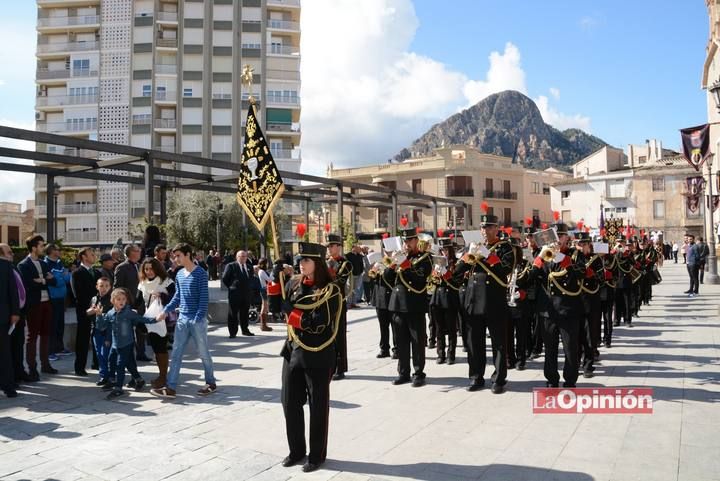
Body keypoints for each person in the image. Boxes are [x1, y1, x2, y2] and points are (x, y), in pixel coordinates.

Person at [280, 242, 342, 473]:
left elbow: (318, 324)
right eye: (300, 261)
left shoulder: (330, 290)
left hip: (317, 353)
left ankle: (316, 455)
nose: (301, 265)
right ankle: (296, 450)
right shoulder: (294, 284)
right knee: (289, 402)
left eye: (305, 261)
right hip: (293, 351)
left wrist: (292, 313)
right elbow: (281, 308)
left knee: (318, 406)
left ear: (317, 263)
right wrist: (276, 287)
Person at [453, 214, 515, 393]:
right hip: (473, 301)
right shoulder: (473, 248)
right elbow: (457, 273)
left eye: (488, 227)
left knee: (498, 343)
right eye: (482, 228)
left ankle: (499, 379)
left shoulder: (505, 247)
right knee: (474, 342)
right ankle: (476, 377)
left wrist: (486, 254)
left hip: (494, 300)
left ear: (497, 228)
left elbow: (505, 270)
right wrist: (468, 256)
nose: (484, 231)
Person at [150, 243, 216, 399]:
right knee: (177, 354)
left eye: (178, 255)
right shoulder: (179, 274)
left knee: (203, 353)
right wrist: (165, 311)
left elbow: (204, 299)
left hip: (197, 321)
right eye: (174, 256)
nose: (175, 258)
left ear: (188, 255)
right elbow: (177, 297)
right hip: (182, 319)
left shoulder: (200, 273)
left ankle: (211, 382)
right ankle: (171, 387)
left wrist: (197, 318)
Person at [529, 222, 583, 388]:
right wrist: (537, 261)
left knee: (570, 348)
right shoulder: (543, 254)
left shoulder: (575, 254)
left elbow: (581, 274)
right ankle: (551, 378)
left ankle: (570, 379)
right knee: (550, 348)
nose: (558, 239)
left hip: (568, 308)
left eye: (561, 235)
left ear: (567, 237)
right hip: (547, 309)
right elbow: (531, 278)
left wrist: (561, 258)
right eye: (554, 236)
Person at [384, 227, 433, 387]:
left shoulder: (425, 258)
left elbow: (420, 278)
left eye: (410, 241)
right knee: (401, 341)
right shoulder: (399, 257)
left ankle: (418, 373)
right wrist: (391, 266)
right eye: (405, 241)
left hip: (414, 305)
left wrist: (405, 265)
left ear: (416, 241)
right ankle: (403, 372)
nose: (407, 244)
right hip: (397, 304)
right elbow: (387, 279)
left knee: (417, 341)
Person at [91, 287, 158, 399]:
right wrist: (98, 315)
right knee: (123, 363)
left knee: (120, 365)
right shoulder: (110, 313)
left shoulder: (128, 312)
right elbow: (101, 327)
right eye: (118, 299)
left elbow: (142, 319)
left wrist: (156, 319)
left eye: (123, 299)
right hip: (115, 344)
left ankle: (118, 389)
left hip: (127, 344)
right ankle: (139, 380)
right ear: (113, 301)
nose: (122, 301)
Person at [18, 235, 58, 379]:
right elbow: (28, 285)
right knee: (32, 336)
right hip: (34, 304)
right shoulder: (23, 265)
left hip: (47, 302)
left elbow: (53, 281)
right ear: (34, 247)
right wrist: (44, 280)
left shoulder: (44, 263)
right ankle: (32, 369)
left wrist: (40, 281)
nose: (43, 248)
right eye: (41, 245)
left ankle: (46, 365)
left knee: (46, 334)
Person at [138, 258, 176, 389]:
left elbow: (176, 296)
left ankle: (163, 376)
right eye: (146, 269)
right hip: (148, 320)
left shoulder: (166, 281)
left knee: (161, 348)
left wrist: (162, 296)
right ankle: (162, 376)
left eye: (151, 268)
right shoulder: (142, 283)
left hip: (163, 320)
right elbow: (138, 301)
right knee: (155, 347)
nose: (148, 271)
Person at [114, 244, 150, 362]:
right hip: (127, 304)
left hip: (140, 304)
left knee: (140, 330)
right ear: (131, 253)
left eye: (139, 251)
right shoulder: (122, 267)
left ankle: (141, 353)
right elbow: (118, 287)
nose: (139, 253)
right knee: (126, 332)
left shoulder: (140, 266)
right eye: (137, 251)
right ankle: (125, 356)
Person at [429, 238, 460, 365]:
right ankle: (440, 354)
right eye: (442, 250)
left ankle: (451, 354)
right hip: (437, 298)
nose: (444, 253)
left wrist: (446, 274)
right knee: (439, 328)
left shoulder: (456, 263)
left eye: (446, 250)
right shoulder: (437, 262)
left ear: (451, 250)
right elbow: (432, 282)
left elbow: (457, 283)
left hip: (450, 298)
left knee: (452, 329)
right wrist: (435, 273)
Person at [326, 234, 352, 380]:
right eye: (328, 246)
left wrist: (329, 268)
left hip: (338, 302)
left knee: (339, 335)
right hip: (325, 302)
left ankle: (340, 368)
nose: (329, 249)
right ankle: (329, 365)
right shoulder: (325, 262)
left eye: (331, 246)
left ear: (338, 247)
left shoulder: (345, 263)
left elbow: (339, 282)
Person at [71, 247, 98, 376]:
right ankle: (79, 367)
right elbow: (78, 294)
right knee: (83, 338)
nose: (94, 256)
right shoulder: (77, 273)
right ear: (84, 257)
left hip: (98, 310)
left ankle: (97, 363)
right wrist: (90, 307)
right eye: (91, 254)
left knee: (98, 336)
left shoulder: (97, 272)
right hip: (84, 311)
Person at [44, 243, 71, 358]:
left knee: (60, 325)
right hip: (52, 298)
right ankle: (50, 351)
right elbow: (52, 281)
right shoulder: (45, 264)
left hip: (61, 298)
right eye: (57, 249)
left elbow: (67, 278)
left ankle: (59, 348)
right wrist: (60, 279)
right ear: (51, 251)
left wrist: (58, 279)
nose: (59, 251)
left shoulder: (59, 262)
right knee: (52, 325)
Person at [222, 250, 256, 337]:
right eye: (241, 256)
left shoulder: (249, 267)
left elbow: (251, 278)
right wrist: (232, 287)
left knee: (244, 313)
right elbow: (225, 278)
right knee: (233, 313)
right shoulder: (231, 266)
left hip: (246, 294)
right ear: (237, 257)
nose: (244, 258)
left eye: (245, 256)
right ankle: (233, 332)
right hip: (235, 294)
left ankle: (245, 330)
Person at [0, 253, 21, 398]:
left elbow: (13, 291)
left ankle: (8, 386)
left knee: (4, 353)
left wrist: (15, 312)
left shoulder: (5, 265)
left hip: (3, 317)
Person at [88, 277, 113, 387]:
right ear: (97, 287)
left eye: (106, 286)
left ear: (110, 287)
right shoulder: (94, 299)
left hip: (107, 330)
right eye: (101, 286)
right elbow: (88, 312)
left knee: (106, 354)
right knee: (99, 354)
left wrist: (101, 314)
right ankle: (103, 376)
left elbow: (112, 318)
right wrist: (92, 311)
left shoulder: (112, 299)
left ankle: (111, 376)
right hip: (96, 330)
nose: (104, 288)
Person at [256, 258, 273, 332]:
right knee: (264, 306)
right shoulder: (262, 271)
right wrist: (273, 273)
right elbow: (269, 280)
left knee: (265, 306)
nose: (267, 265)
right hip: (264, 290)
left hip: (264, 289)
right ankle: (263, 325)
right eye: (266, 263)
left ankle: (264, 325)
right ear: (263, 264)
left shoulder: (261, 271)